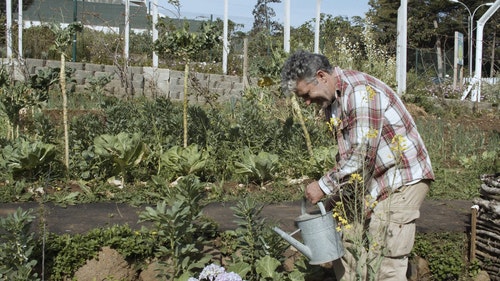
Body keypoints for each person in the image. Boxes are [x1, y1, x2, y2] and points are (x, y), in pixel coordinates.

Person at [280, 50, 435, 281]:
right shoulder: (333, 102)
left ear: (322, 76)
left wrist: (323, 186)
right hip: (371, 180)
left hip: (401, 179)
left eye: (307, 94)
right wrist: (336, 199)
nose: (307, 101)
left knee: (385, 259)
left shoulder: (360, 92)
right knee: (347, 245)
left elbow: (361, 155)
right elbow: (349, 159)